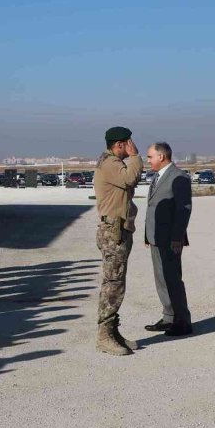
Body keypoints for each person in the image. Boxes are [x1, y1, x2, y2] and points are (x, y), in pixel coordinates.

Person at [93, 126, 143, 355]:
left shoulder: (112, 162)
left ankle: (112, 331)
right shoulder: (110, 163)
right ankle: (104, 336)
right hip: (113, 231)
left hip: (118, 229)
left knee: (117, 281)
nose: (132, 146)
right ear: (120, 144)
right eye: (129, 143)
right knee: (113, 283)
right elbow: (130, 178)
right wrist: (135, 157)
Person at [143, 142, 193, 336]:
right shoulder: (158, 176)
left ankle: (183, 321)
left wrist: (177, 237)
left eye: (150, 157)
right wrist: (148, 234)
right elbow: (153, 207)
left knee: (172, 280)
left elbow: (183, 209)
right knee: (161, 279)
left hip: (170, 239)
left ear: (161, 156)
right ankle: (169, 317)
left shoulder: (179, 177)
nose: (148, 160)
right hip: (156, 237)